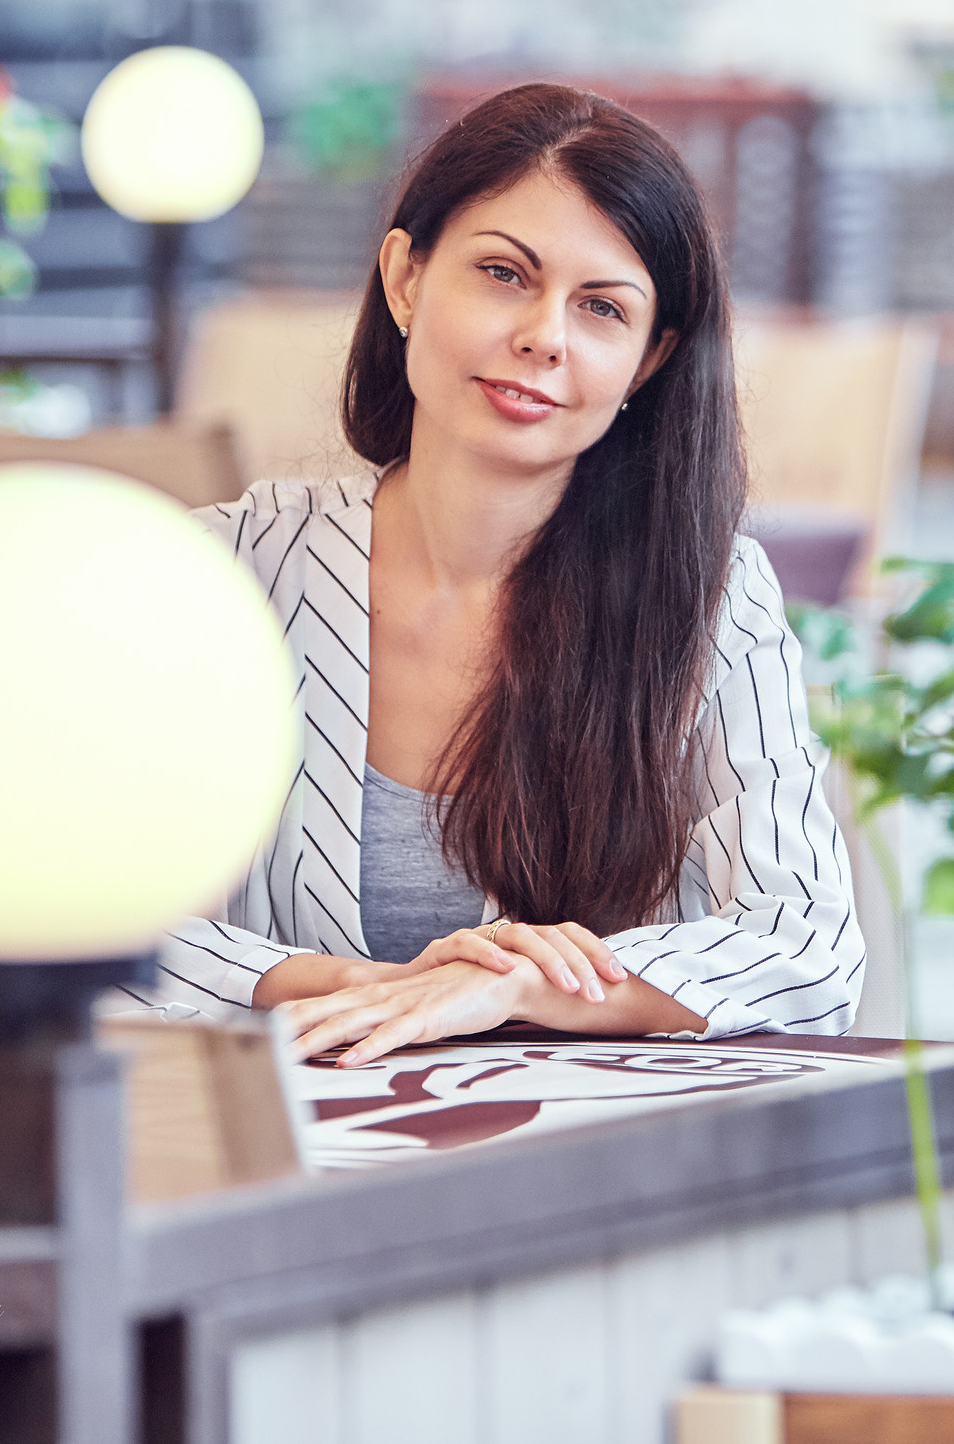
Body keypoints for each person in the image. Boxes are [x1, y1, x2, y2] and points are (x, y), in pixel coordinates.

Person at [150, 83, 861, 1063]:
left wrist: (518, 987)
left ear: (648, 361)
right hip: (270, 1170)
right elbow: (59, 905)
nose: (545, 335)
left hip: (576, 1184)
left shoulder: (708, 601)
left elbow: (810, 947)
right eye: (502, 273)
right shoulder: (221, 573)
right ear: (405, 277)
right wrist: (356, 990)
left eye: (602, 307)